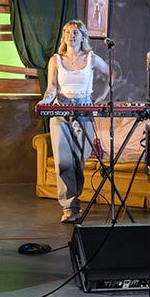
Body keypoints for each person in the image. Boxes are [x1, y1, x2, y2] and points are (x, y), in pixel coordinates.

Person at [37, 19, 110, 223]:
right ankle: (70, 207)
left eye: (76, 32)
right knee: (63, 161)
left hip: (84, 111)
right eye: (68, 32)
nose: (72, 35)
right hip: (60, 110)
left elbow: (110, 74)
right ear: (64, 36)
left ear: (83, 36)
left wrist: (102, 96)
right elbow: (51, 87)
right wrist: (45, 101)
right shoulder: (56, 60)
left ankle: (74, 200)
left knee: (78, 160)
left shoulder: (91, 58)